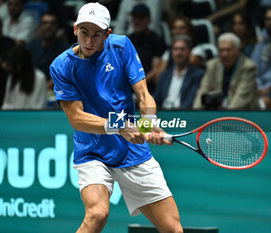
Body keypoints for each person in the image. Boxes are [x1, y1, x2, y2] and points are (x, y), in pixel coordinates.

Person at [49, 3, 183, 233]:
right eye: (84, 33)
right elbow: (77, 119)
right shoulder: (61, 66)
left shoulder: (121, 47)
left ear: (107, 34)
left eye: (96, 35)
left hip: (132, 151)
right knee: (97, 214)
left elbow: (143, 94)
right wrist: (120, 126)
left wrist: (148, 123)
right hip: (92, 150)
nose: (89, 41)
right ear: (75, 29)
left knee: (173, 229)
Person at [193, 33, 259, 110]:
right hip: (218, 113)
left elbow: (241, 99)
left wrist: (224, 118)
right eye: (221, 50)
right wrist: (195, 114)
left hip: (244, 115)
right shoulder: (212, 65)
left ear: (237, 51)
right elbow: (203, 91)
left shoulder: (248, 67)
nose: (224, 54)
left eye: (228, 50)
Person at [154, 35, 204, 109]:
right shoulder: (164, 75)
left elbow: (190, 101)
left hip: (183, 115)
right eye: (175, 49)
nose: (178, 53)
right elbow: (156, 100)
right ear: (171, 53)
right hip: (162, 115)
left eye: (182, 49)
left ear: (189, 52)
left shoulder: (197, 74)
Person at [128, 3, 166, 94]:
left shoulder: (157, 41)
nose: (137, 21)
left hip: (148, 89)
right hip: (128, 87)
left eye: (141, 17)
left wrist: (137, 85)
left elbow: (155, 71)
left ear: (149, 19)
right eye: (135, 18)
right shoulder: (128, 40)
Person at [26, 12, 69, 90]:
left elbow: (61, 75)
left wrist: (42, 89)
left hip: (54, 91)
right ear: (40, 26)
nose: (48, 26)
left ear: (57, 27)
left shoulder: (64, 50)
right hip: (31, 87)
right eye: (45, 23)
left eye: (52, 24)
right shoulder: (31, 45)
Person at [2, 45, 47, 109]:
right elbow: (6, 104)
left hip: (32, 117)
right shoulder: (12, 77)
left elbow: (39, 106)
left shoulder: (39, 78)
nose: (12, 68)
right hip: (12, 117)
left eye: (15, 64)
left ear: (22, 63)